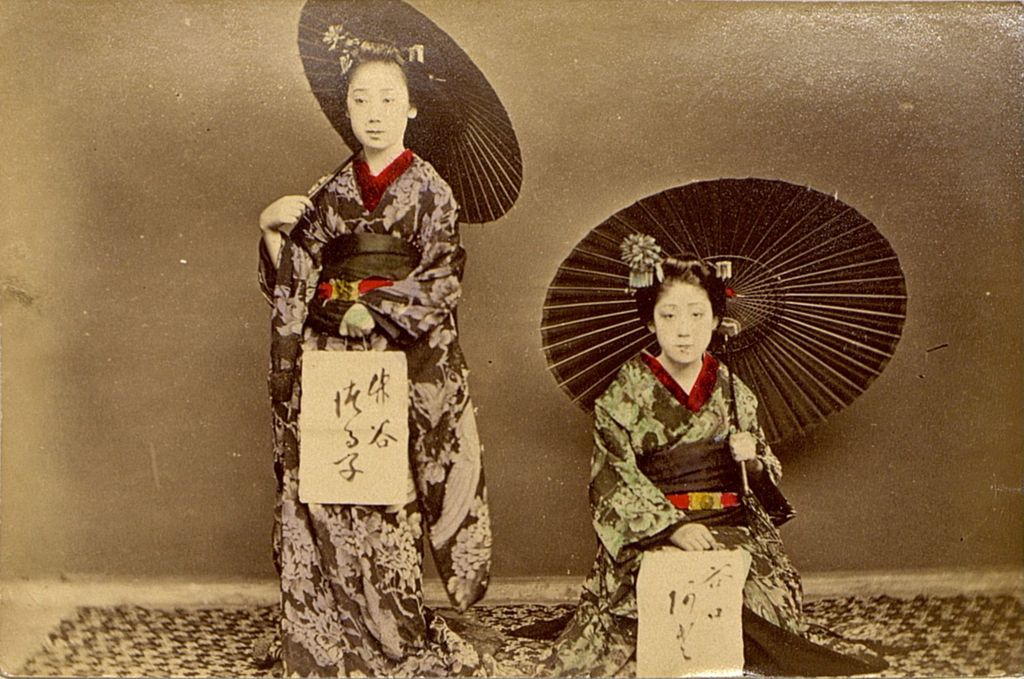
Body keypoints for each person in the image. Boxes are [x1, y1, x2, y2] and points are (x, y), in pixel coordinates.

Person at [535, 247, 888, 677]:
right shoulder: (622, 394)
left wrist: (753, 461)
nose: (684, 330)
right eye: (669, 316)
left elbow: (761, 479)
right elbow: (613, 479)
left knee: (760, 606)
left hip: (727, 524)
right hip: (654, 532)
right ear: (650, 320)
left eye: (697, 315)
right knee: (645, 617)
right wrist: (675, 528)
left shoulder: (733, 389)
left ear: (717, 320)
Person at [256, 40, 492, 677]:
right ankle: (324, 629)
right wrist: (271, 229)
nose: (375, 112)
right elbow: (293, 276)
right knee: (325, 493)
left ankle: (391, 627)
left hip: (397, 359)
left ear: (412, 108)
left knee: (387, 496)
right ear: (348, 110)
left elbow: (443, 277)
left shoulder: (431, 190)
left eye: (389, 99)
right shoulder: (328, 189)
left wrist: (380, 309)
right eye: (361, 100)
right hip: (331, 355)